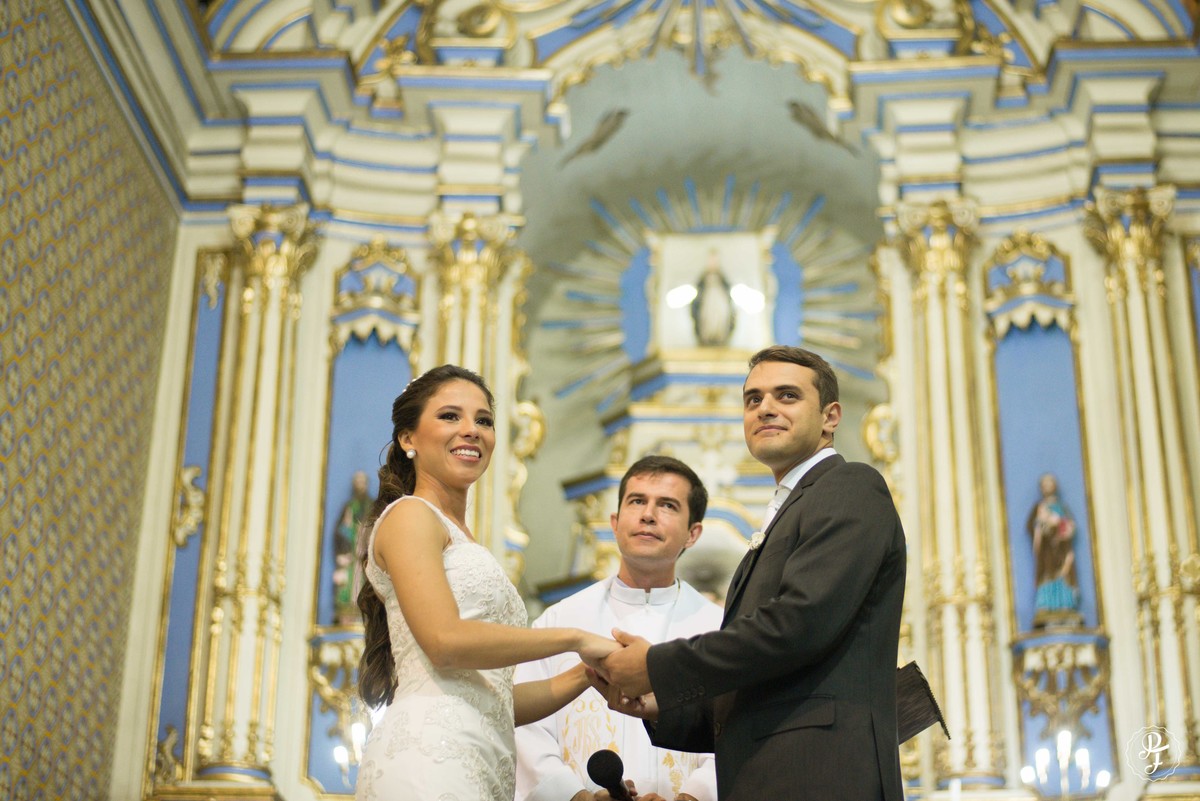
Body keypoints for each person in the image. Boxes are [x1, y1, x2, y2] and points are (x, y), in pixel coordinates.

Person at [596, 345, 907, 801]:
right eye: (753, 399)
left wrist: (656, 666)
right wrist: (659, 706)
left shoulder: (849, 486)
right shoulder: (787, 509)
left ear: (830, 416)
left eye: (786, 396)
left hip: (821, 775)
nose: (765, 408)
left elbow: (798, 626)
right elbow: (755, 691)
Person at [354, 365, 619, 801]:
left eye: (483, 420)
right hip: (428, 757)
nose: (471, 430)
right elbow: (444, 640)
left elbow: (496, 700)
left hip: (481, 759)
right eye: (450, 416)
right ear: (408, 439)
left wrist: (587, 675)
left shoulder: (461, 536)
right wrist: (574, 638)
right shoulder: (410, 516)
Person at [515, 456, 723, 801]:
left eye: (667, 505)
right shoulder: (558, 621)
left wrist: (693, 796)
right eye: (637, 501)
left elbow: (735, 728)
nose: (648, 514)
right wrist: (575, 796)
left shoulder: (717, 628)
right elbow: (526, 732)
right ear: (614, 522)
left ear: (693, 533)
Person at [1027, 472, 1081, 628]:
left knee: (1064, 575)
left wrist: (1061, 526)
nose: (1048, 487)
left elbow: (1070, 526)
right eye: (1045, 484)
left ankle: (1065, 603)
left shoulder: (1061, 507)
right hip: (1046, 552)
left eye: (1050, 484)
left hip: (1062, 549)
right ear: (1041, 488)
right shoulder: (1039, 508)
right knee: (1046, 576)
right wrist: (1041, 525)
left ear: (1055, 487)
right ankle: (1046, 604)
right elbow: (1031, 526)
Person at [333, 469, 372, 624]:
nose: (360, 486)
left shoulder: (372, 506)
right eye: (358, 483)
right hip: (351, 557)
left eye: (362, 483)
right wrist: (344, 551)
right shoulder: (349, 507)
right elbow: (341, 531)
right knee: (348, 585)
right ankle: (347, 615)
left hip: (366, 557)